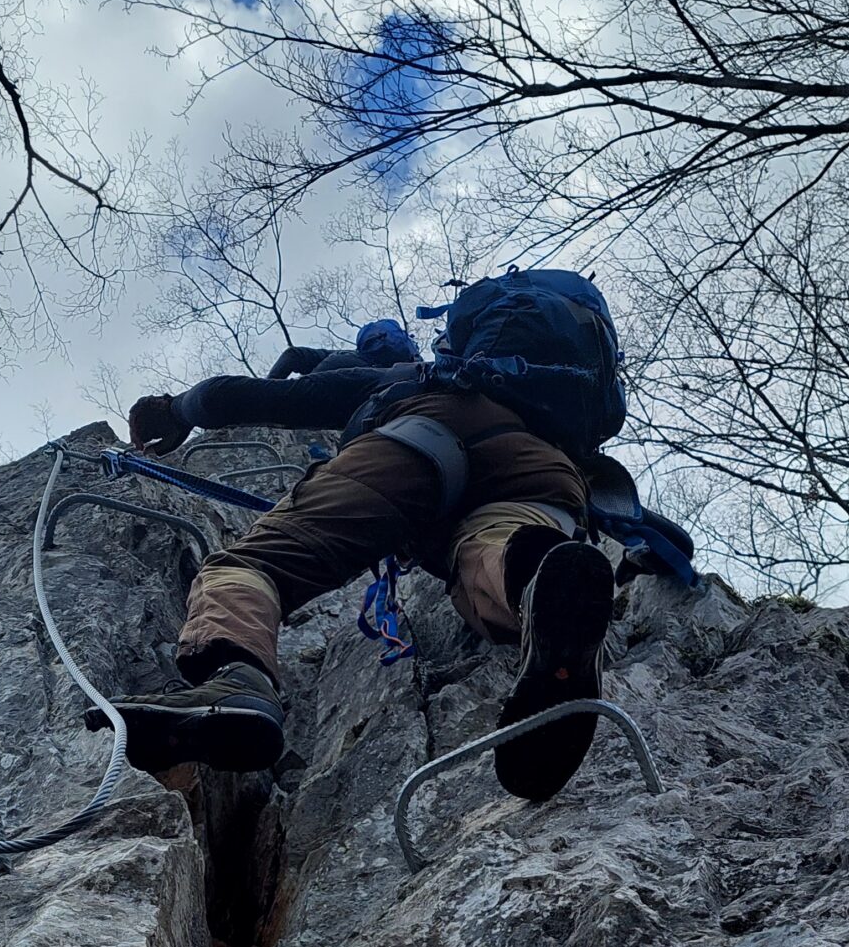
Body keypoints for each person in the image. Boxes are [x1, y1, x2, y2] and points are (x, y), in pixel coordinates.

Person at [97, 295, 622, 803]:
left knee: (254, 565)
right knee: (499, 548)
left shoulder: (407, 378)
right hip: (546, 469)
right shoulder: (551, 405)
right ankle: (535, 580)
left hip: (423, 435)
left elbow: (266, 398)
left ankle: (236, 677)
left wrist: (178, 409)